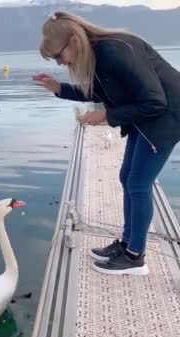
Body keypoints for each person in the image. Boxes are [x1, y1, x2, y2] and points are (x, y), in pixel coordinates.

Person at [33, 11, 180, 276]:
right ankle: (127, 244)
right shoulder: (98, 55)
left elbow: (156, 101)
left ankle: (135, 257)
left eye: (58, 56)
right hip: (147, 116)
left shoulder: (114, 50)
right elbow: (99, 91)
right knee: (128, 177)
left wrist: (107, 115)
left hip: (166, 117)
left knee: (138, 183)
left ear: (74, 41)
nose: (59, 63)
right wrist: (59, 88)